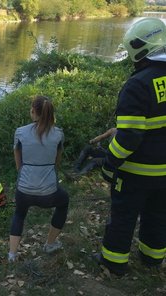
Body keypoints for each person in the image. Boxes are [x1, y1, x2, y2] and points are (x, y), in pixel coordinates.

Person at [96, 17, 166, 276]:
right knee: (158, 215)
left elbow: (130, 137)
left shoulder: (138, 84)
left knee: (123, 217)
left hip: (137, 172)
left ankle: (113, 263)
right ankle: (152, 259)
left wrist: (109, 163)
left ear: (140, 48)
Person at [8, 95, 69, 262]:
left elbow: (18, 165)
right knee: (63, 201)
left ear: (33, 111)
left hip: (24, 190)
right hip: (49, 193)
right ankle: (50, 244)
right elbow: (57, 164)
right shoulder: (58, 134)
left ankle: (12, 254)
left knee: (19, 213)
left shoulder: (20, 132)